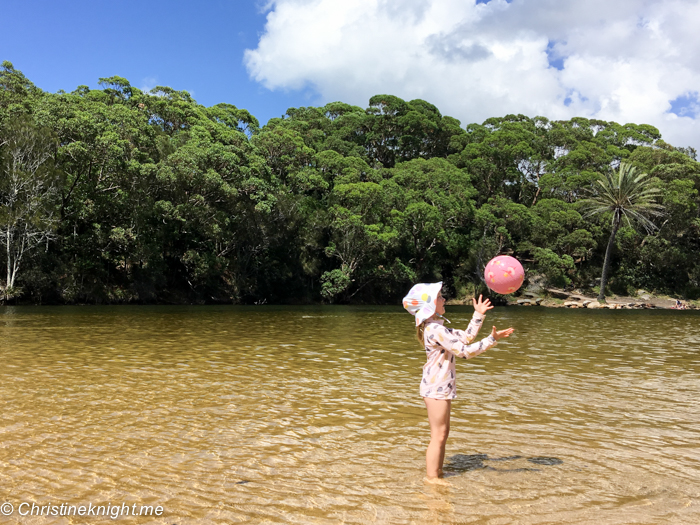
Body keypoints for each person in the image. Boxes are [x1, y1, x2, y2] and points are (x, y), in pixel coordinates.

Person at [402, 282, 514, 482]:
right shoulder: (434, 329)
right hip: (435, 386)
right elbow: (464, 352)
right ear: (430, 304)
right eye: (440, 297)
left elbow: (466, 337)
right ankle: (431, 479)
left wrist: (478, 315)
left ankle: (438, 473)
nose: (444, 299)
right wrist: (490, 340)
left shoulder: (438, 328)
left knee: (443, 434)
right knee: (438, 435)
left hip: (440, 385)